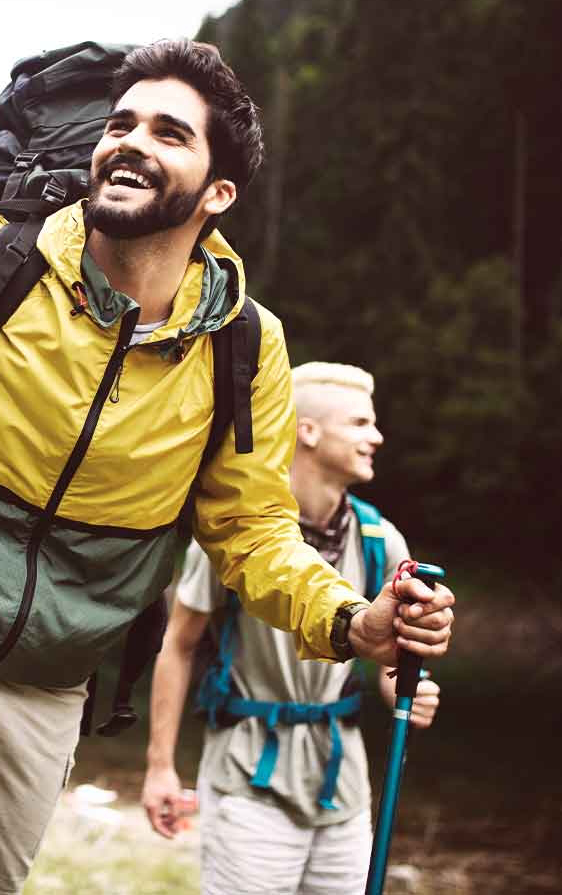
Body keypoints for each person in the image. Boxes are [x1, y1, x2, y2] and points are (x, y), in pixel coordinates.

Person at [0, 39, 456, 895]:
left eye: (168, 132)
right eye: (120, 123)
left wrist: (351, 623)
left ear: (217, 193)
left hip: (51, 675)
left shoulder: (244, 346)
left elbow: (250, 532)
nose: (130, 142)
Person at [142, 362, 442, 894]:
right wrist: (160, 766)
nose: (376, 437)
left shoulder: (381, 541)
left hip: (342, 785)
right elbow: (178, 644)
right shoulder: (234, 537)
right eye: (359, 423)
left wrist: (407, 687)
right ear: (308, 431)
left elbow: (390, 663)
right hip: (249, 779)